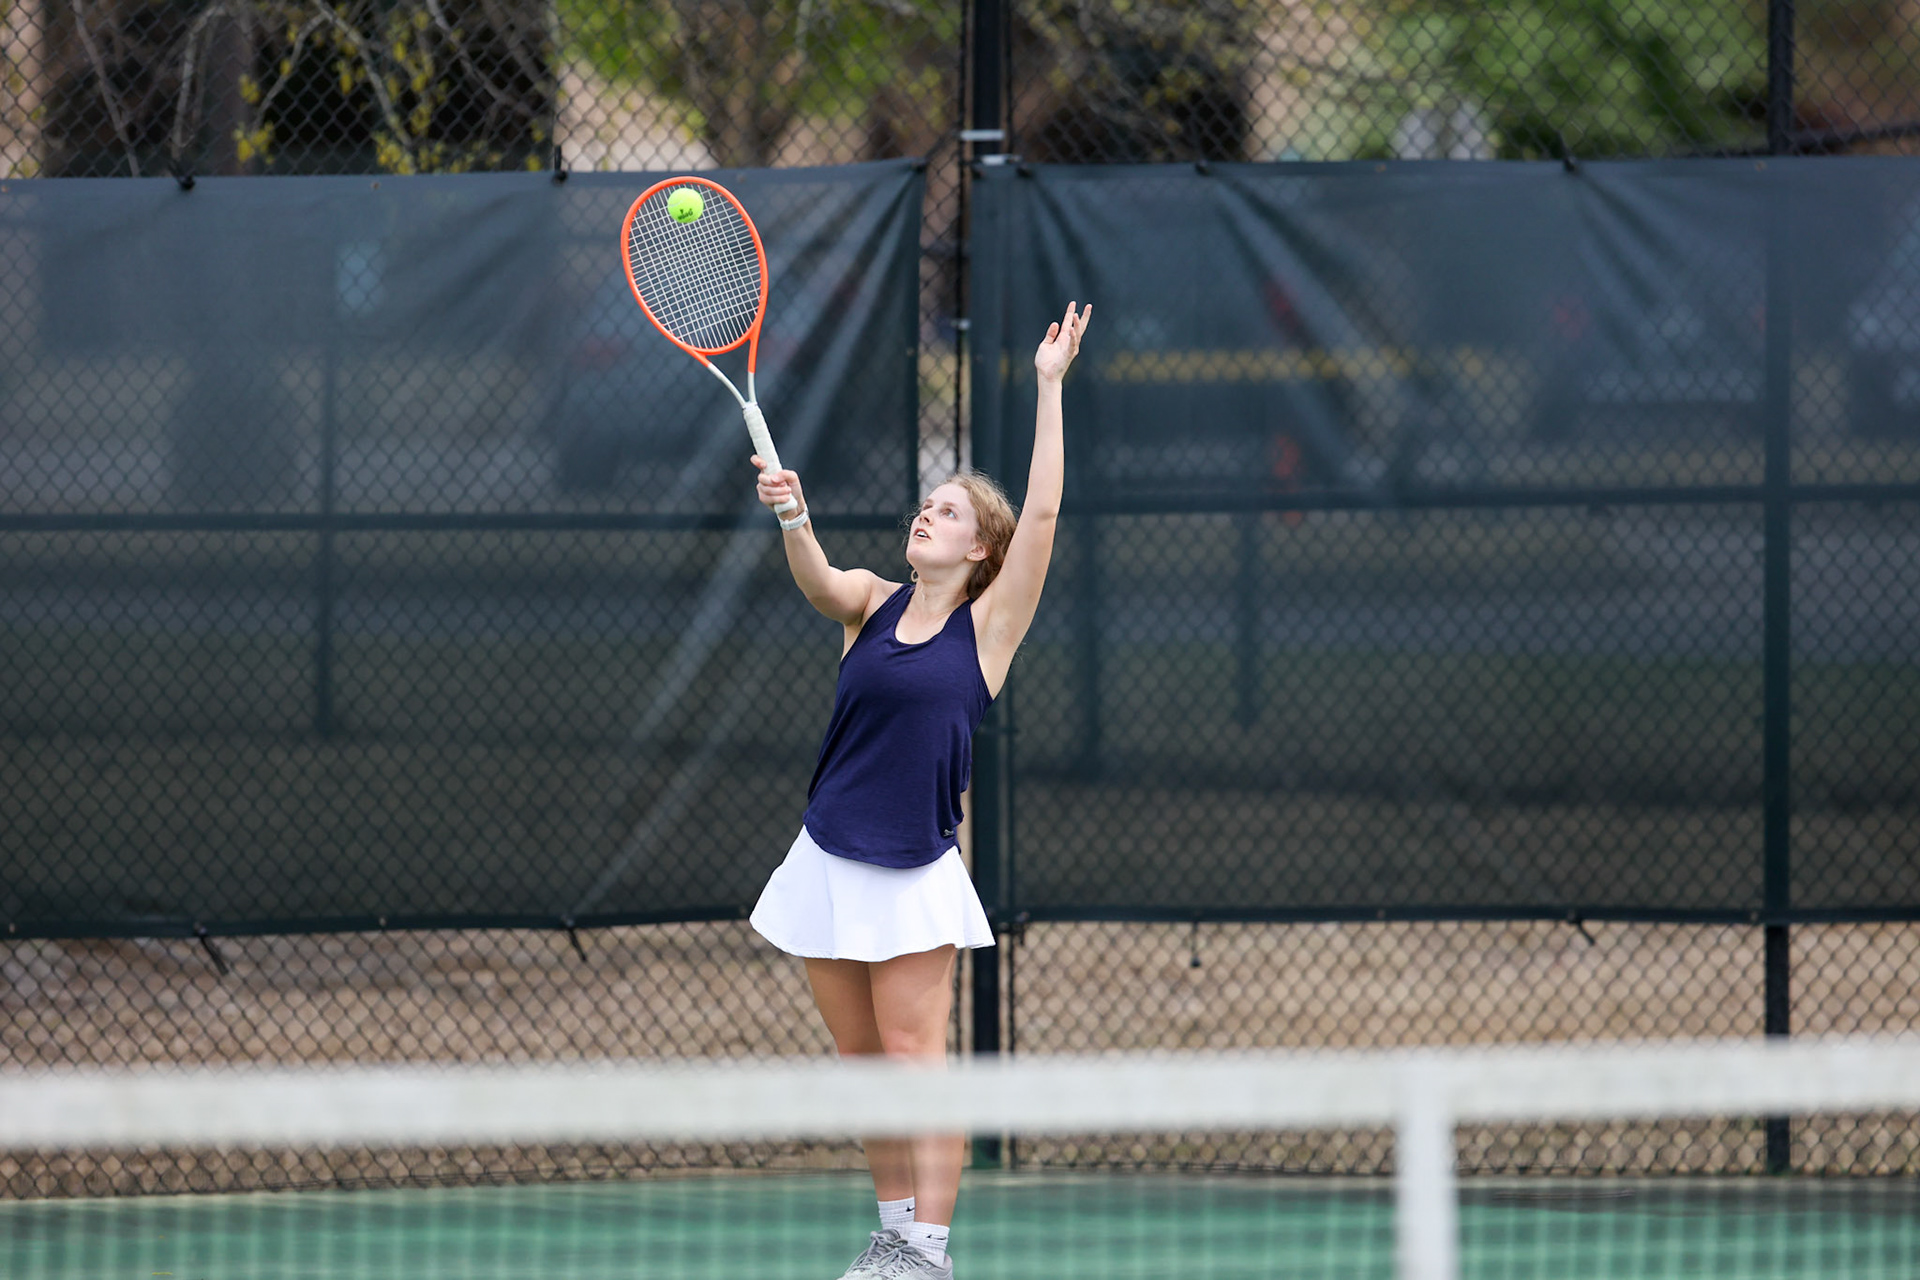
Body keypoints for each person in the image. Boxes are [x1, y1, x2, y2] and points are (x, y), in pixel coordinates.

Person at [746, 302, 1091, 1279]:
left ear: (980, 549)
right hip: (826, 855)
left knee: (915, 1064)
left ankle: (927, 1254)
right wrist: (792, 512)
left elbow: (1048, 515)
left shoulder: (988, 632)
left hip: (912, 872)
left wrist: (1049, 386)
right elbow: (815, 579)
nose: (925, 513)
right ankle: (892, 1235)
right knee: (866, 1069)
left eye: (946, 511)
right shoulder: (870, 600)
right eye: (925, 504)